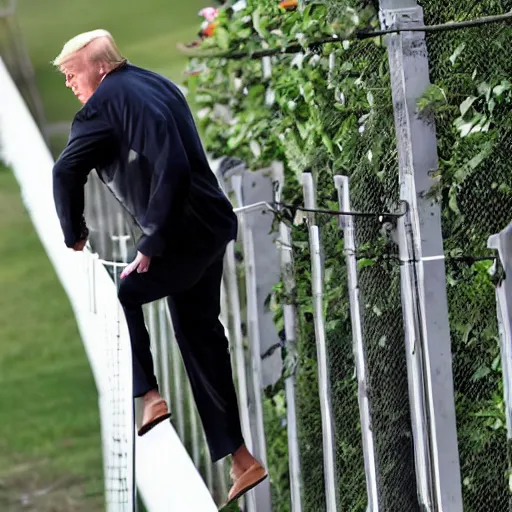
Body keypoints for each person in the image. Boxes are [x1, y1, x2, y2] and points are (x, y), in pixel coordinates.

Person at [51, 29, 267, 505]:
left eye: (73, 72)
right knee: (199, 335)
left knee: (122, 293)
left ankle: (148, 395)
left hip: (178, 238)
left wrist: (79, 234)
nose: (68, 81)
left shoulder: (102, 104)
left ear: (100, 67)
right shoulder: (157, 85)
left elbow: (66, 170)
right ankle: (242, 460)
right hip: (210, 230)